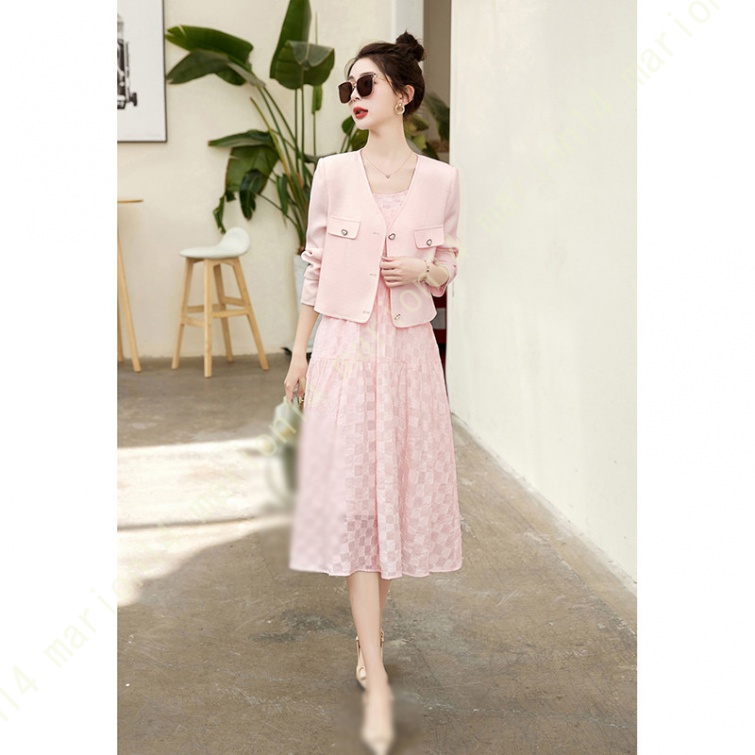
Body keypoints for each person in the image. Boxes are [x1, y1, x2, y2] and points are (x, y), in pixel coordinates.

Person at [284, 31, 462, 755]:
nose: (353, 97)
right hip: (346, 351)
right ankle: (374, 659)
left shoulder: (442, 180)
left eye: (366, 85)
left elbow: (448, 266)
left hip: (410, 354)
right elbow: (315, 265)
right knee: (358, 497)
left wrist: (423, 270)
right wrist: (300, 354)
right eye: (347, 88)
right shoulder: (332, 173)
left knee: (395, 497)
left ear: (403, 95)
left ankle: (370, 635)